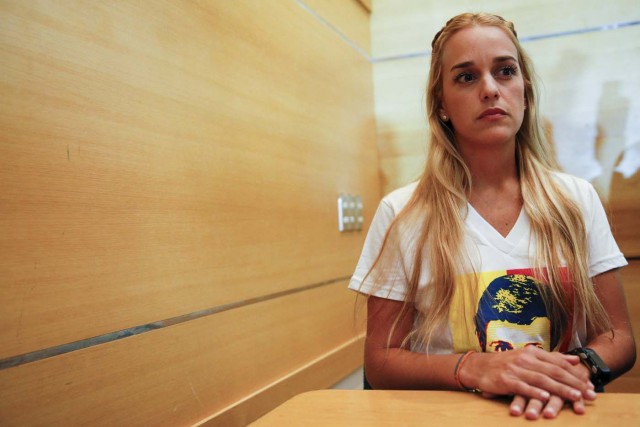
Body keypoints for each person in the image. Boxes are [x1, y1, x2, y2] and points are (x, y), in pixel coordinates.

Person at [348, 12, 636, 420]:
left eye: (505, 71)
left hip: (555, 413)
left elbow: (618, 338)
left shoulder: (576, 199)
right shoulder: (403, 212)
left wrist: (567, 373)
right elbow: (380, 361)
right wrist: (475, 367)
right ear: (442, 105)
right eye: (466, 77)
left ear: (525, 92)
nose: (490, 89)